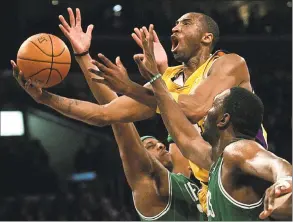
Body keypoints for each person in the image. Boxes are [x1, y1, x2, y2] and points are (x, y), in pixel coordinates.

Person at [58, 9, 268, 212]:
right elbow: (104, 114)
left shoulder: (229, 62)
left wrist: (131, 87)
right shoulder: (167, 79)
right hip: (211, 184)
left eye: (185, 23)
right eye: (175, 24)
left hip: (248, 174)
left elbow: (195, 108)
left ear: (206, 37)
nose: (175, 28)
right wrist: (50, 92)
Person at [10, 9, 205, 221]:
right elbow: (113, 114)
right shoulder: (147, 183)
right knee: (120, 119)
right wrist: (82, 59)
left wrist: (164, 70)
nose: (159, 145)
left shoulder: (180, 177)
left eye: (157, 143)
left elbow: (175, 118)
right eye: (149, 147)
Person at [132, 29, 292, 220]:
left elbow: (275, 163)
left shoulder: (238, 150)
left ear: (223, 120)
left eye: (213, 105)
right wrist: (156, 79)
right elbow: (183, 135)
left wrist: (285, 180)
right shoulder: (214, 161)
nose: (206, 111)